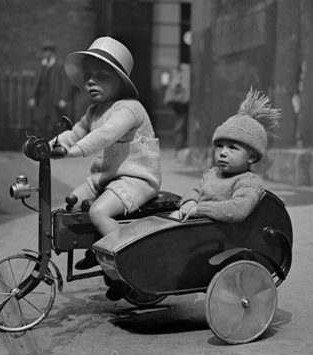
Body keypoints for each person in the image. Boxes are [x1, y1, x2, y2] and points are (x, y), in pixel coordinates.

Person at [48, 37, 161, 300]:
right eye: (88, 75)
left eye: (101, 75)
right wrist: (48, 145)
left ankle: (123, 266)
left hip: (136, 179)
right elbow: (74, 133)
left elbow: (105, 135)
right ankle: (98, 248)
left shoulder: (130, 109)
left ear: (120, 81)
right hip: (106, 178)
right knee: (72, 204)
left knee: (99, 212)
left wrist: (71, 152)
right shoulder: (94, 111)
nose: (91, 81)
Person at [176, 88, 280, 222]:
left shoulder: (248, 182)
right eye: (219, 146)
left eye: (232, 148)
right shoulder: (211, 174)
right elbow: (196, 190)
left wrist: (200, 209)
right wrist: (190, 201)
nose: (223, 153)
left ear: (252, 157)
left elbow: (238, 209)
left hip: (227, 237)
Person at [28, 41, 72, 136]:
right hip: (42, 98)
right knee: (40, 121)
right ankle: (43, 145)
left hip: (54, 99)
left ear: (52, 52)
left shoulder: (59, 65)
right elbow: (36, 83)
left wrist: (63, 98)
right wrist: (33, 97)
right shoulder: (41, 66)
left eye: (49, 51)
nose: (47, 53)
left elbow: (64, 83)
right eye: (45, 51)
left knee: (55, 122)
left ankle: (54, 145)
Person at [163, 63, 191, 153]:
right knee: (181, 125)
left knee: (181, 125)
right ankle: (179, 148)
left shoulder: (178, 74)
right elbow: (176, 86)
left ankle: (180, 147)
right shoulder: (184, 75)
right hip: (183, 103)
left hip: (178, 104)